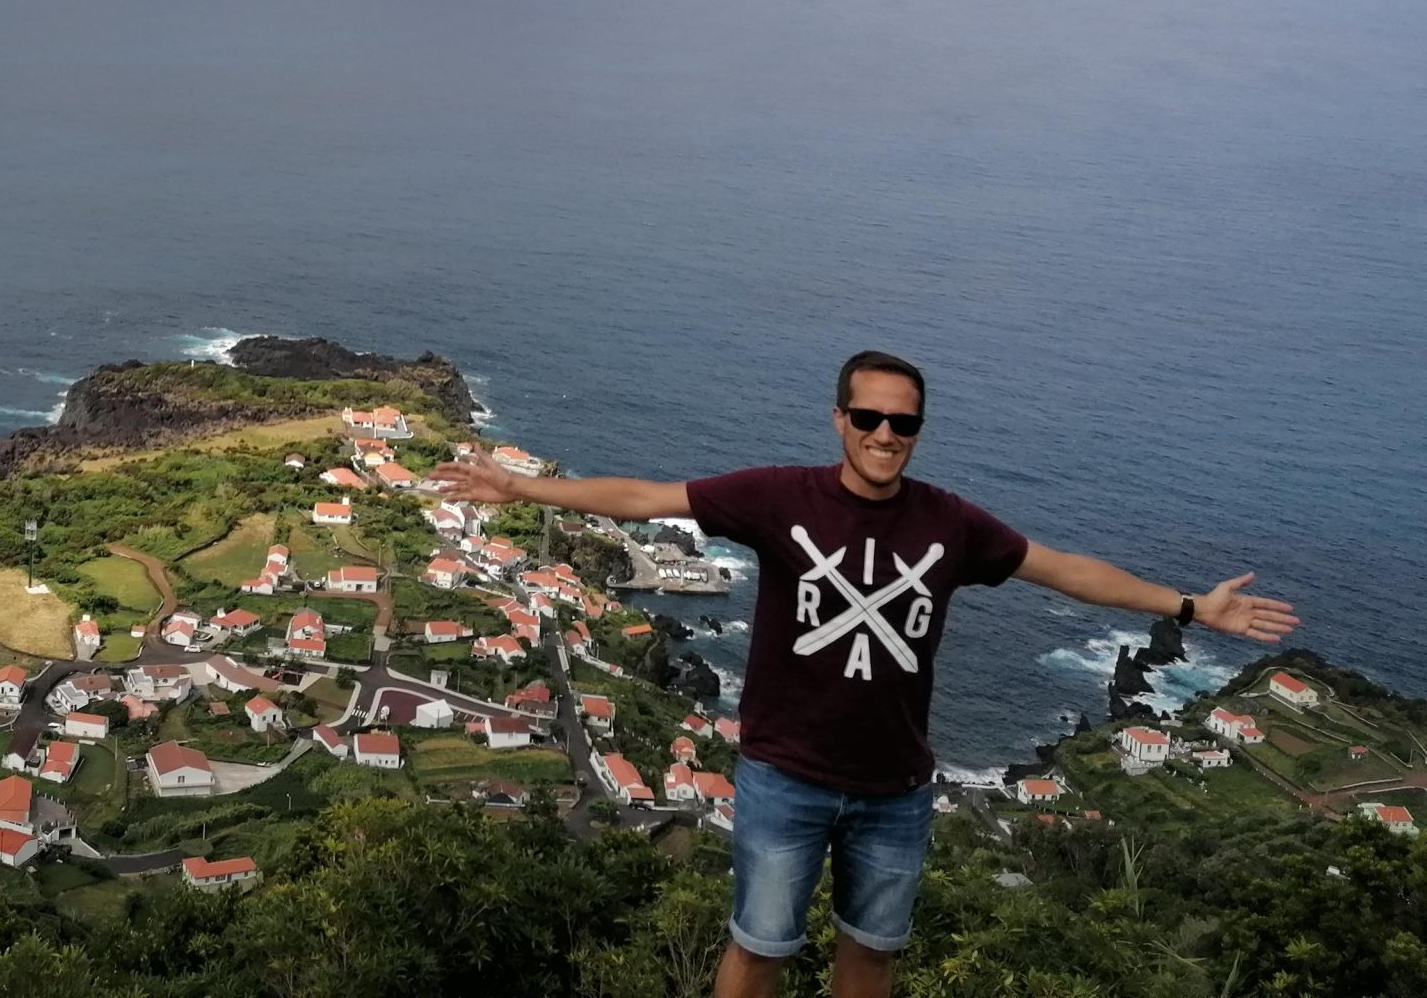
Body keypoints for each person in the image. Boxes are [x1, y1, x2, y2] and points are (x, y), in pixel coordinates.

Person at [428, 350, 1298, 998]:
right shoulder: (779, 498)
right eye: (870, 418)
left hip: (894, 788)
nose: (887, 435)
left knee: (871, 952)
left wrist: (1187, 606)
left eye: (904, 423)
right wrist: (526, 488)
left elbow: (1064, 569)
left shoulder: (951, 525)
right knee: (758, 946)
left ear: (918, 431)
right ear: (840, 419)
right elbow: (649, 498)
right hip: (782, 776)